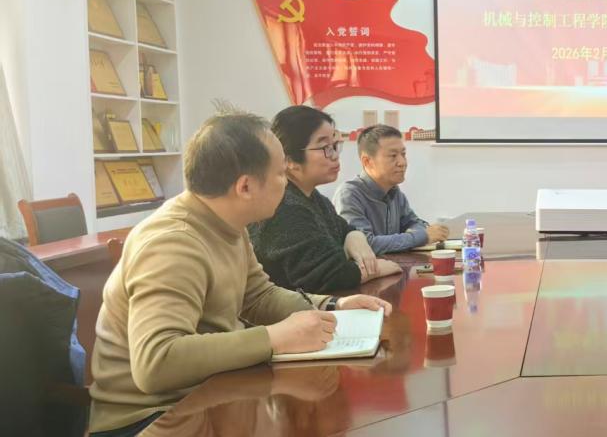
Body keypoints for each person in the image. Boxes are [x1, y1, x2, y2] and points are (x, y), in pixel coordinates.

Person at [89, 111, 392, 437]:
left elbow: (259, 295)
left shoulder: (227, 224)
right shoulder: (172, 244)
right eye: (280, 174)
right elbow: (157, 363)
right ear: (245, 186)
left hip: (209, 395)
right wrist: (275, 338)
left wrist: (332, 306)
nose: (285, 182)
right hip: (150, 418)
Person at [248, 106, 401, 291]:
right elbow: (327, 275)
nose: (335, 156)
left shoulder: (314, 198)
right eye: (325, 148)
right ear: (290, 160)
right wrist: (376, 269)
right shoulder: (285, 207)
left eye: (335, 146)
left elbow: (345, 229)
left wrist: (355, 236)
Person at [333, 124, 449, 254]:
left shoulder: (394, 192)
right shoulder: (349, 195)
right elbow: (365, 245)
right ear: (367, 161)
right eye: (393, 156)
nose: (402, 162)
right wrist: (421, 237)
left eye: (403, 154)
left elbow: (415, 223)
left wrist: (420, 234)